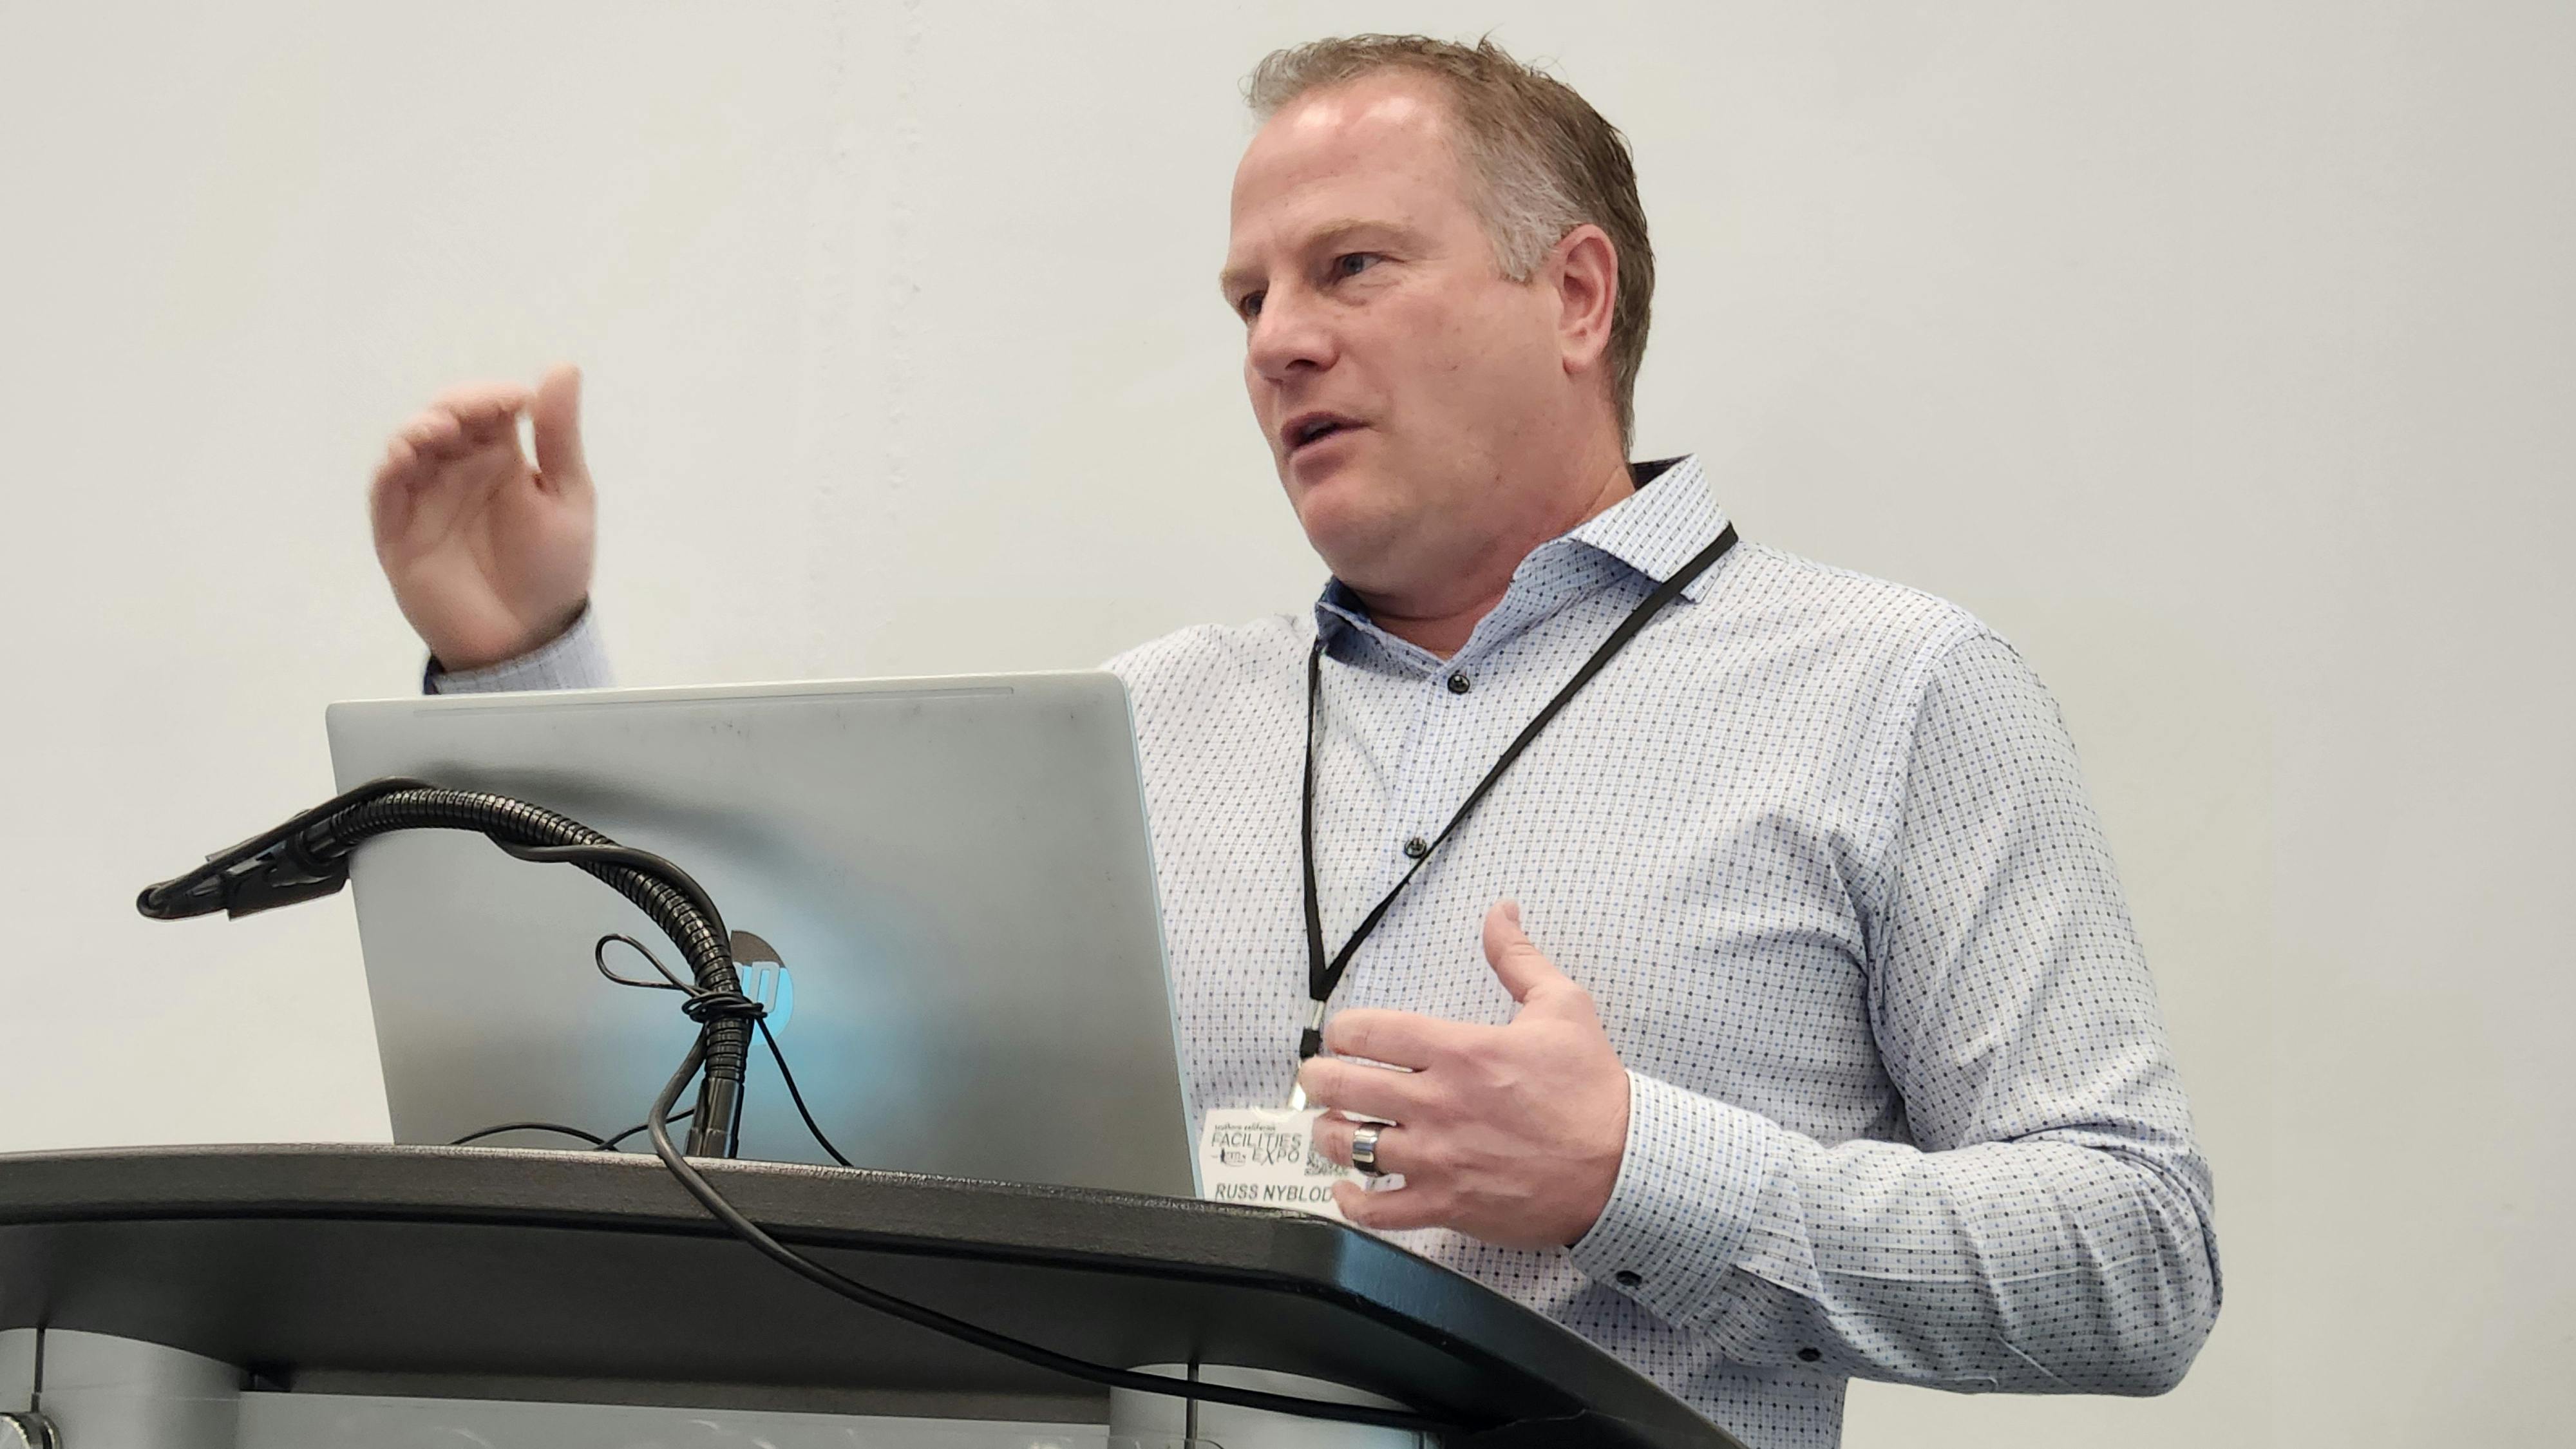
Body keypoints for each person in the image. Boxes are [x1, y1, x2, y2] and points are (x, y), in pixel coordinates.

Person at [365, 34, 2219, 1449]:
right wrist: (525, 665)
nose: (1276, 341)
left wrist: (1639, 1167)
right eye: (1251, 298)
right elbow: (762, 1106)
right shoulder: (1142, 723)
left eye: (1349, 269)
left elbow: (2137, 1259)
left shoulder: (1895, 691)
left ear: (1575, 296)